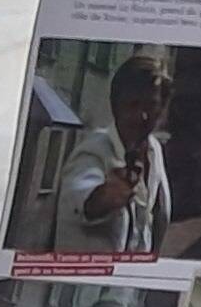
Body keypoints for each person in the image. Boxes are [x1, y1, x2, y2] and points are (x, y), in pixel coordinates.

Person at [44, 52, 177, 258]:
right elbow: (81, 196)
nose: (142, 116)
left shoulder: (154, 150)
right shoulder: (94, 150)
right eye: (133, 104)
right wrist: (104, 196)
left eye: (151, 105)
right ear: (117, 106)